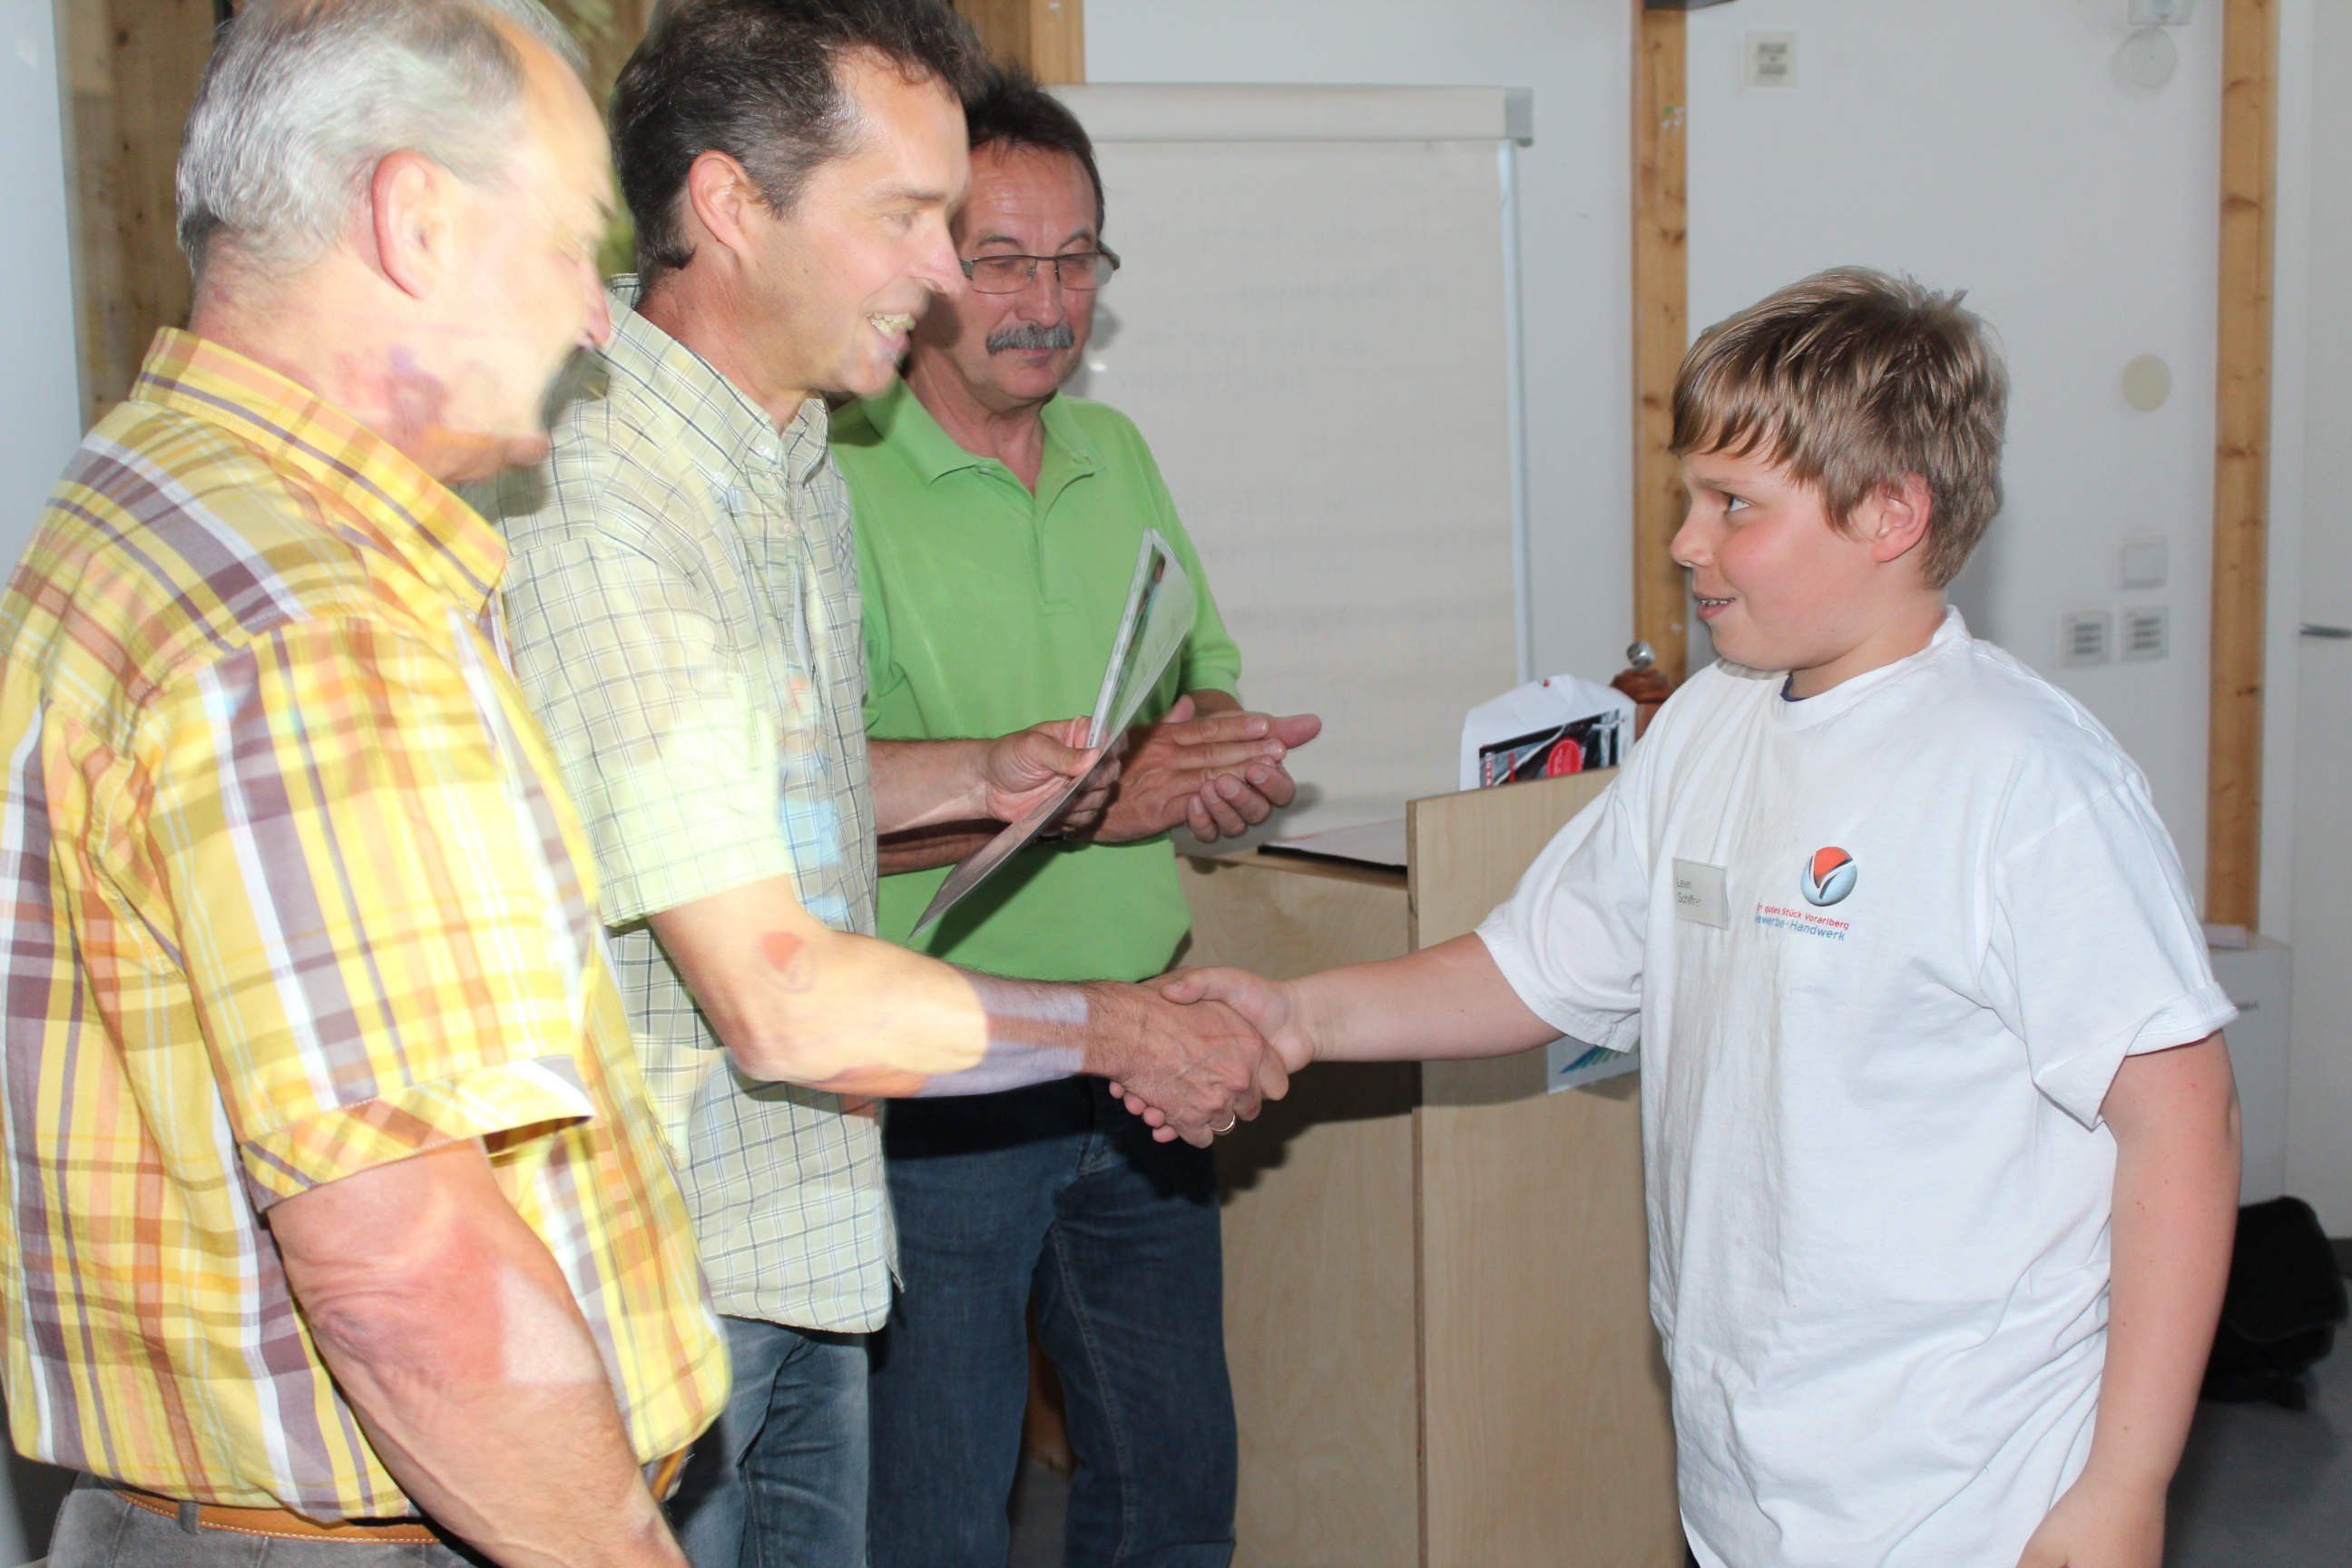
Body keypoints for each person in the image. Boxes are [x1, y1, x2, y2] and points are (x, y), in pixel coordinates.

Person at [1148, 269, 2243, 1568]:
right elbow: (1540, 966)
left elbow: (2184, 1131)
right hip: (1749, 1466)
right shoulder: (1712, 721)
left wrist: (2126, 1486)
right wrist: (1298, 1015)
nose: (1685, 542)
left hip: (1970, 1481)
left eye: (1735, 505)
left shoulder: (2027, 780)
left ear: (1890, 514)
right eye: (1690, 497)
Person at [473, 6, 1288, 1566]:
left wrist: (972, 772)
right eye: (909, 218)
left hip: (802, 1238)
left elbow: (759, 788)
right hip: (681, 1286)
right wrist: (1121, 1029)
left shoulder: (781, 461)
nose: (945, 275)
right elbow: (779, 999)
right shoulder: (610, 508)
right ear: (731, 204)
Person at [0, 3, 729, 1564]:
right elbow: (408, 1279)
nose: (596, 321)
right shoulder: (311, 625)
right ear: (415, 221)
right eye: (567, 247)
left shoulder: (146, 489)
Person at [832, 64, 1319, 1568]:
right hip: (948, 1076)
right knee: (939, 1518)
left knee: (1174, 1499)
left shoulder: (1121, 456)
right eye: (1002, 262)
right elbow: (809, 805)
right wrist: (1091, 808)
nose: (1045, 305)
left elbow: (1203, 678)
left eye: (1074, 262)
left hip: (1148, 1054)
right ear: (925, 266)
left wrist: (1218, 759)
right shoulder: (831, 481)